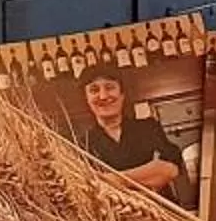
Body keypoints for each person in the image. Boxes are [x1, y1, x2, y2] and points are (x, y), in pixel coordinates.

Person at [70, 63, 184, 198]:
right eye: (94, 90)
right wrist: (148, 173)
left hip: (163, 216)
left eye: (110, 87)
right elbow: (91, 191)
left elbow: (169, 170)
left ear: (122, 94)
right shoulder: (82, 145)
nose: (103, 96)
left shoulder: (148, 128)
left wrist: (116, 179)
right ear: (86, 99)